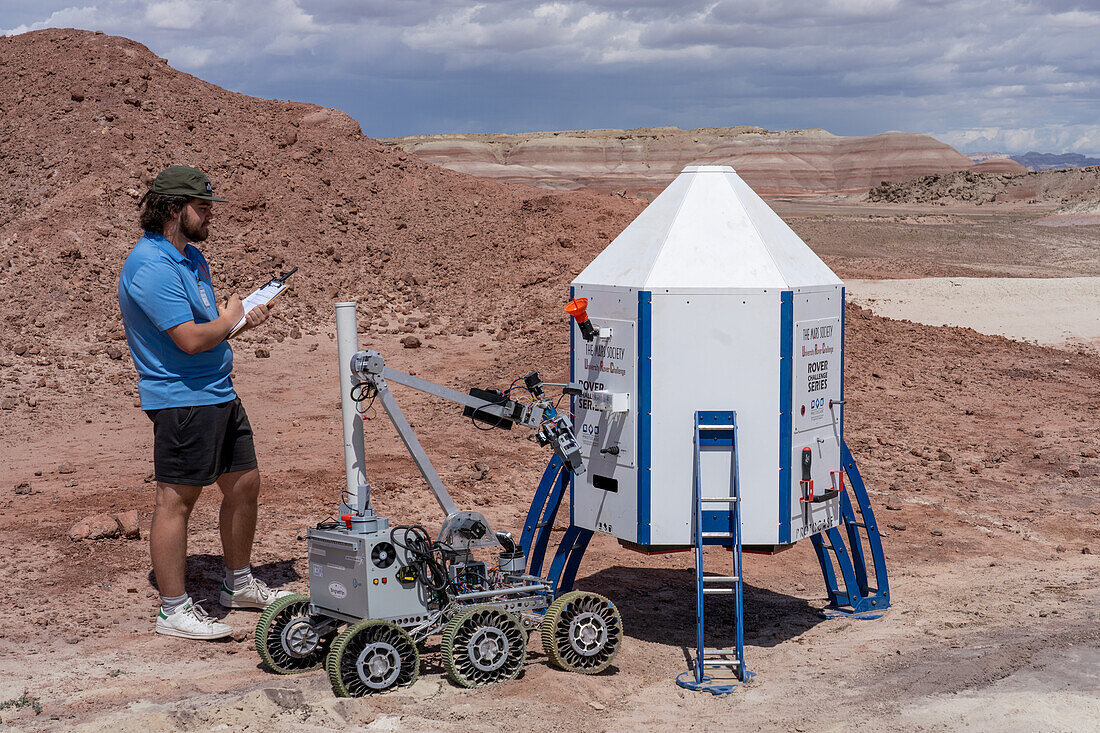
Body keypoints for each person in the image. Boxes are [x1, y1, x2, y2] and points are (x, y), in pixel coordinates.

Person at [118, 165, 290, 640]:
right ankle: (173, 609)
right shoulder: (151, 266)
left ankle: (237, 585)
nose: (211, 216)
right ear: (174, 209)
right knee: (176, 500)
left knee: (244, 484)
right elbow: (191, 340)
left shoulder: (192, 260)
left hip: (218, 391)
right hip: (181, 399)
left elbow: (208, 327)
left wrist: (239, 321)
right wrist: (230, 315)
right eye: (203, 207)